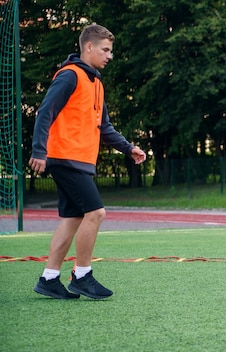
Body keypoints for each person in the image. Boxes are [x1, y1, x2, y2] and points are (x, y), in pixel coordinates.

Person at [30, 23, 147, 299]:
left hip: (79, 160)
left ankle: (49, 279)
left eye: (111, 51)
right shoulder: (69, 76)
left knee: (72, 218)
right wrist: (38, 150)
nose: (109, 56)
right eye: (105, 50)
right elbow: (44, 112)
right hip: (64, 158)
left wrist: (129, 148)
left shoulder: (96, 83)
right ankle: (82, 275)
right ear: (89, 47)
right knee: (96, 213)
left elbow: (104, 128)